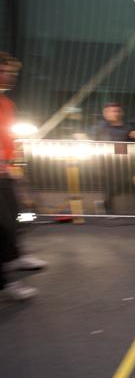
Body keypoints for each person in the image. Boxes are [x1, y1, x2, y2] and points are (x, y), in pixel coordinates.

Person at [0, 52, 45, 301]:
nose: (11, 76)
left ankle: (17, 257)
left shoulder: (7, 103)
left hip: (5, 171)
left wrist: (13, 161)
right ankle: (7, 282)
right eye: (7, 71)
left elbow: (8, 136)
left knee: (20, 215)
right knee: (3, 225)